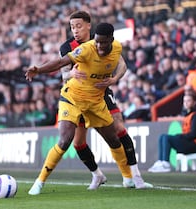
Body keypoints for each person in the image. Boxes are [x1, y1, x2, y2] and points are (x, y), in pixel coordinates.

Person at [25, 23, 144, 195]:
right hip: (72, 98)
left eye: (102, 43)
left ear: (111, 40)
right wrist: (39, 69)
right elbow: (61, 62)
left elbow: (122, 66)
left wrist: (115, 78)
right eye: (96, 42)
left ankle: (128, 178)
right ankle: (39, 181)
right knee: (65, 140)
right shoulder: (87, 49)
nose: (98, 46)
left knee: (113, 139)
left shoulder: (117, 48)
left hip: (96, 102)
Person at [59, 11, 152, 190]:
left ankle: (134, 177)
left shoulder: (101, 40)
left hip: (102, 92)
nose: (75, 30)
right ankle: (97, 175)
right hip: (78, 97)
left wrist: (115, 78)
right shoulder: (67, 46)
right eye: (72, 27)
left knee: (119, 128)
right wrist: (70, 74)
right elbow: (63, 75)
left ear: (88, 25)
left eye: (78, 26)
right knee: (78, 143)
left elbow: (122, 64)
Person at [148, 93, 196, 173]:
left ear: (194, 102)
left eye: (188, 101)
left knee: (166, 137)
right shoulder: (188, 115)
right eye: (184, 101)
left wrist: (180, 136)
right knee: (162, 136)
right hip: (189, 142)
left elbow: (194, 134)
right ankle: (161, 162)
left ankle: (165, 163)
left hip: (195, 144)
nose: (186, 103)